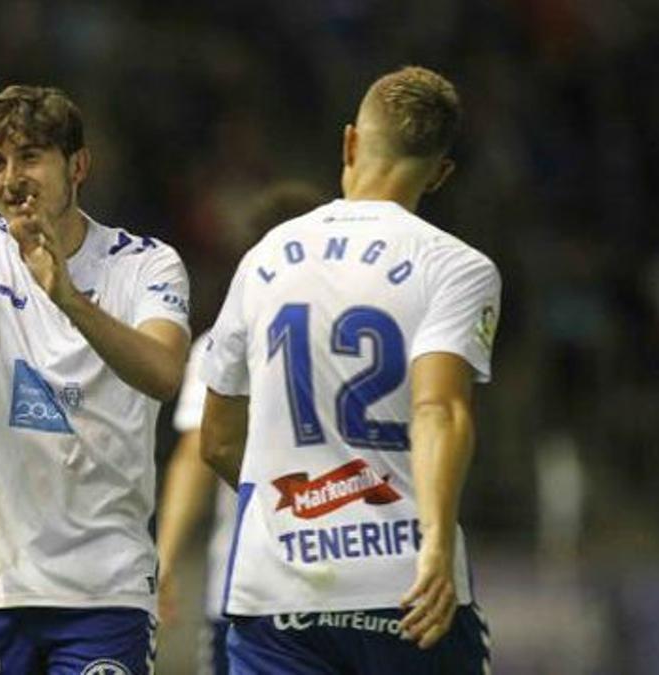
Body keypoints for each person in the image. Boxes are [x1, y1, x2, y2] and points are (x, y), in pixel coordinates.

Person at [200, 66, 499, 674]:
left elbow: (218, 440)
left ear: (350, 143)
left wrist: (306, 508)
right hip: (407, 588)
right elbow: (439, 407)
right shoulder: (458, 267)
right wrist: (436, 544)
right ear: (440, 173)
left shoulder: (261, 259)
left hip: (278, 590)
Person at [0, 81, 191, 674]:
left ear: (77, 165)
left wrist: (69, 299)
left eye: (30, 157)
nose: (10, 178)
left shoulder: (146, 262)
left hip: (106, 589)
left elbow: (162, 372)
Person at [155, 181, 325, 675]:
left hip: (251, 582)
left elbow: (199, 451)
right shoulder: (378, 334)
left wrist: (165, 556)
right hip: (360, 573)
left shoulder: (221, 343)